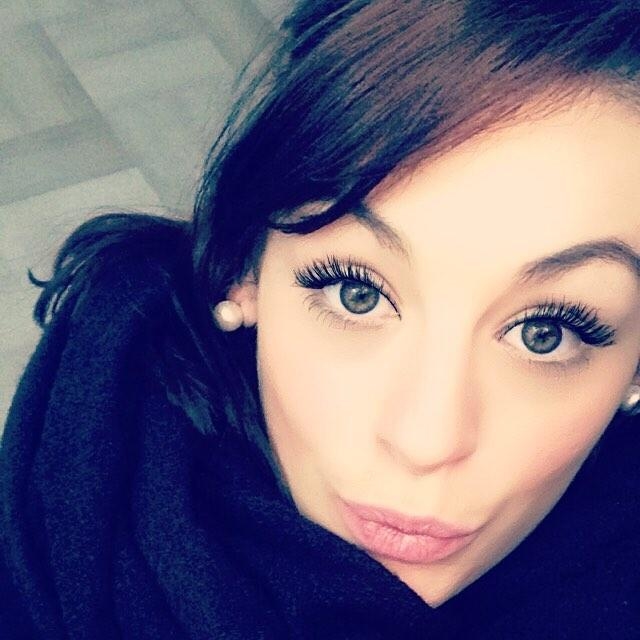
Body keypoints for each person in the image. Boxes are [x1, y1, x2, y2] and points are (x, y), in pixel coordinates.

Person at [1, 1, 639, 637]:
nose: (426, 442)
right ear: (243, 266)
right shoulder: (75, 480)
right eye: (357, 294)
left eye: (544, 333)